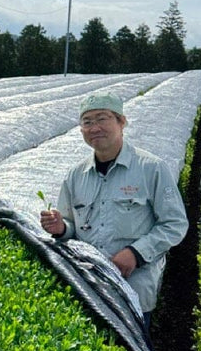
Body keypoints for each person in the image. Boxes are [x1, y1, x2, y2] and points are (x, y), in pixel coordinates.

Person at [39, 91, 188, 325]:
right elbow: (70, 225)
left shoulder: (151, 169)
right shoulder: (76, 176)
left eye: (102, 118)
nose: (94, 127)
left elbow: (175, 224)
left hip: (132, 286)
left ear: (122, 122)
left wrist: (136, 253)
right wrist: (60, 228)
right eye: (87, 122)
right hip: (88, 283)